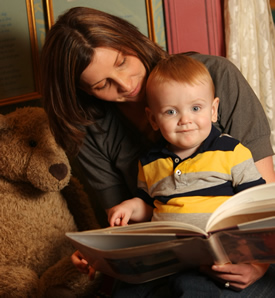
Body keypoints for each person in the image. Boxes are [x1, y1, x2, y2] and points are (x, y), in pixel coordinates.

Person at [40, 6, 275, 297]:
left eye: (123, 62)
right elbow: (124, 219)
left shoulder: (215, 75)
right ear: (85, 91)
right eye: (102, 84)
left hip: (240, 256)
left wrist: (258, 265)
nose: (125, 85)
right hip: (163, 261)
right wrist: (100, 252)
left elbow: (263, 201)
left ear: (132, 39)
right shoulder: (91, 129)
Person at [108, 54, 266, 229]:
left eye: (196, 108)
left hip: (224, 243)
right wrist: (129, 207)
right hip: (170, 246)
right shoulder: (149, 162)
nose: (185, 119)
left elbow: (255, 201)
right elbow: (148, 207)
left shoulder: (232, 152)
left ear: (213, 111)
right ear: (153, 119)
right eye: (170, 112)